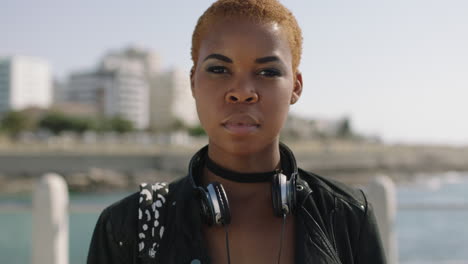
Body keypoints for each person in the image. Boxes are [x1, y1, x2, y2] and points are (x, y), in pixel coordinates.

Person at [87, 0, 386, 263]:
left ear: (295, 86)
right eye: (219, 69)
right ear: (193, 82)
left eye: (267, 72)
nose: (242, 92)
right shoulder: (131, 224)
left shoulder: (348, 215)